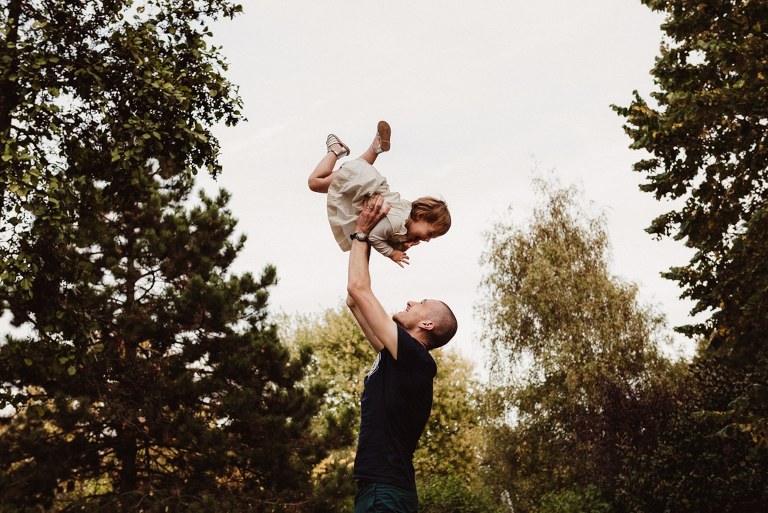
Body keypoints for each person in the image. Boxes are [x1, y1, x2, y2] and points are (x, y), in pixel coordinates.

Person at [345, 193, 458, 513]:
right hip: (379, 487)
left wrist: (362, 231)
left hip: (386, 491)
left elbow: (359, 289)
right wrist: (364, 235)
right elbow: (354, 300)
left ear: (426, 322)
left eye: (419, 303)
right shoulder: (395, 355)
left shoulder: (413, 357)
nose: (410, 302)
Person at [308, 120, 451, 267]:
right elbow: (375, 236)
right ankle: (336, 150)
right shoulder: (396, 222)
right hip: (359, 182)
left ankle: (376, 147)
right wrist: (391, 254)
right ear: (420, 216)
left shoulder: (406, 214)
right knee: (315, 182)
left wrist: (402, 246)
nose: (427, 240)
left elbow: (386, 234)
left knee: (357, 166)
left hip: (365, 179)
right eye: (430, 234)